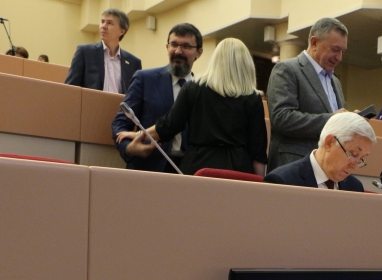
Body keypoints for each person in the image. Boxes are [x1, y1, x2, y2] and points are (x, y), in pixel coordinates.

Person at [121, 38, 267, 176]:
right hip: (238, 170)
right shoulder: (253, 98)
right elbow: (258, 150)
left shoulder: (193, 88)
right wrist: (260, 185)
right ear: (246, 64)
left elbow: (169, 125)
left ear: (215, 60)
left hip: (198, 166)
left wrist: (140, 134)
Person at [111, 23, 203, 173]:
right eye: (174, 44)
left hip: (189, 171)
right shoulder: (145, 79)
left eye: (186, 46)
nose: (178, 51)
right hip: (148, 168)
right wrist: (129, 148)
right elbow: (120, 123)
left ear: (198, 52)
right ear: (167, 47)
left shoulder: (203, 90)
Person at [266, 17, 348, 171]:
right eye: (335, 49)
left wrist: (350, 122)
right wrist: (332, 120)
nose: (339, 57)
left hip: (327, 169)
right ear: (314, 42)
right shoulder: (287, 69)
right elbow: (281, 118)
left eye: (342, 51)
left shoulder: (335, 82)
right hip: (294, 167)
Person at [264, 112, 375, 192]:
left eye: (361, 159)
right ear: (329, 143)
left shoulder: (355, 187)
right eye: (354, 154)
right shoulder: (282, 181)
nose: (355, 166)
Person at [65, 9, 141, 94]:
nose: (103, 26)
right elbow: (70, 88)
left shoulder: (133, 63)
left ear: (122, 31)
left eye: (109, 23)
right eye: (102, 22)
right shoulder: (85, 52)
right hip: (91, 102)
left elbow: (136, 95)